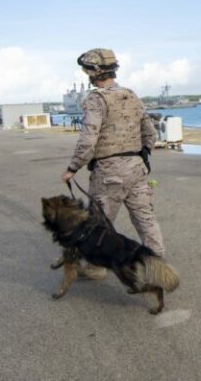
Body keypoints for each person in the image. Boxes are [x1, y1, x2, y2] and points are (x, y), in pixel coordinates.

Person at [61, 48, 166, 279]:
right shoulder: (131, 95)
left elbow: (88, 139)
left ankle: (98, 268)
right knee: (145, 219)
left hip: (109, 172)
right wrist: (143, 156)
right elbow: (149, 132)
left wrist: (72, 168)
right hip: (137, 167)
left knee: (98, 223)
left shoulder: (96, 99)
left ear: (92, 72)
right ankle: (158, 265)